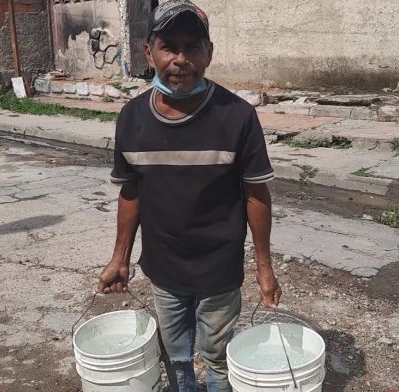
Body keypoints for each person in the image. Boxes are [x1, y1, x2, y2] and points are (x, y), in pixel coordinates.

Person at [96, 1, 282, 391]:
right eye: (169, 47)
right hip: (164, 268)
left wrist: (264, 267)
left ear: (208, 53)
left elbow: (256, 194)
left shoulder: (237, 116)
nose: (181, 59)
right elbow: (131, 192)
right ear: (150, 52)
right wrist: (119, 258)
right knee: (175, 351)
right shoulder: (131, 119)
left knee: (218, 355)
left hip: (219, 269)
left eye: (192, 47)